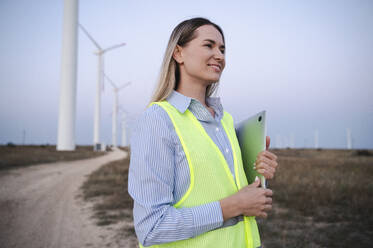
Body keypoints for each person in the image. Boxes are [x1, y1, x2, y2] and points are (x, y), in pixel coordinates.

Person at [128, 17, 278, 248]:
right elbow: (151, 227)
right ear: (178, 54)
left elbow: (223, 189)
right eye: (209, 45)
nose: (219, 55)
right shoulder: (158, 120)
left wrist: (257, 172)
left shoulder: (225, 120)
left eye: (222, 49)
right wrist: (234, 205)